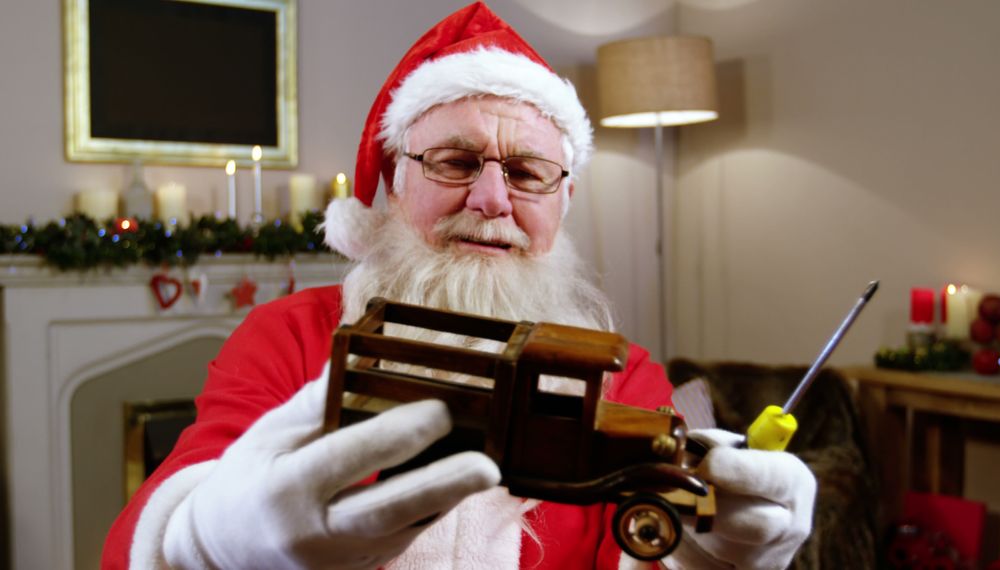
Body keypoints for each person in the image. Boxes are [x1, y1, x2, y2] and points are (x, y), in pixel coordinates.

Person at [102, 3, 816, 569]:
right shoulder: (287, 336)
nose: (492, 201)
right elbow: (151, 528)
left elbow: (649, 538)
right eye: (455, 161)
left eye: (529, 173)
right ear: (395, 184)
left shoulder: (623, 376)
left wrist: (704, 558)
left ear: (563, 201)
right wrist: (212, 539)